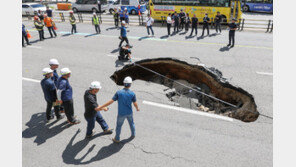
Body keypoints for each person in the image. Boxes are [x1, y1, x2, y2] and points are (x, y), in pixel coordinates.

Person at [97, 76, 140, 143]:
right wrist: (137, 108)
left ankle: (117, 138)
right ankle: (133, 134)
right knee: (131, 123)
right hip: (129, 112)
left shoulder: (119, 93)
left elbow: (111, 101)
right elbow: (135, 103)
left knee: (119, 126)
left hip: (121, 113)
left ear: (123, 83)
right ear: (130, 84)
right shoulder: (132, 94)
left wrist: (101, 106)